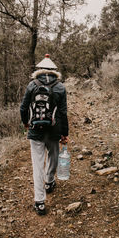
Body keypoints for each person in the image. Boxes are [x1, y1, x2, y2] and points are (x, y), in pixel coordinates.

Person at [20, 54, 69, 215]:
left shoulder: (32, 85)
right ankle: (49, 181)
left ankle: (39, 201)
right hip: (54, 131)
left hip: (35, 132)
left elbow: (23, 107)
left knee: (37, 166)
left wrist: (26, 122)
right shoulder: (60, 87)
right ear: (54, 70)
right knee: (53, 158)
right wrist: (64, 133)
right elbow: (62, 113)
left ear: (39, 69)